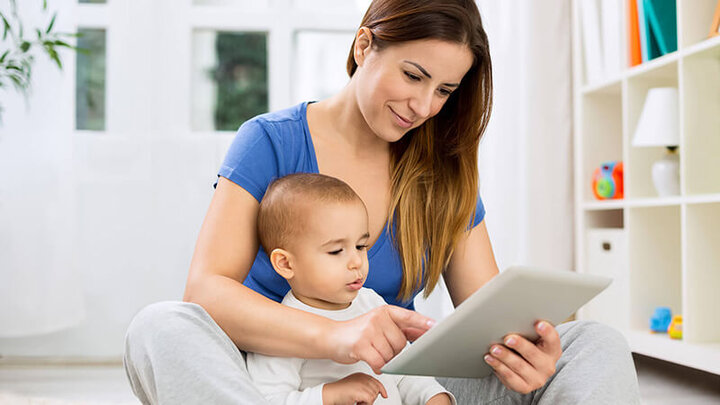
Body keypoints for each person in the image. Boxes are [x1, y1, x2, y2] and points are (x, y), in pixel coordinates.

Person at [123, 0, 641, 404]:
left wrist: (527, 355)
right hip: (274, 387)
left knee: (593, 342)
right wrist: (337, 338)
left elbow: (487, 321)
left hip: (399, 390)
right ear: (364, 44)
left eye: (444, 90)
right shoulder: (270, 140)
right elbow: (207, 291)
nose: (423, 106)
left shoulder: (442, 168)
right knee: (162, 327)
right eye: (413, 75)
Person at [246, 172, 454, 405]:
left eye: (361, 246)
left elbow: (403, 373)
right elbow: (269, 399)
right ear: (286, 263)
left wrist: (433, 396)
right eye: (336, 251)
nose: (357, 261)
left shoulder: (372, 303)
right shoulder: (282, 330)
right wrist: (330, 395)